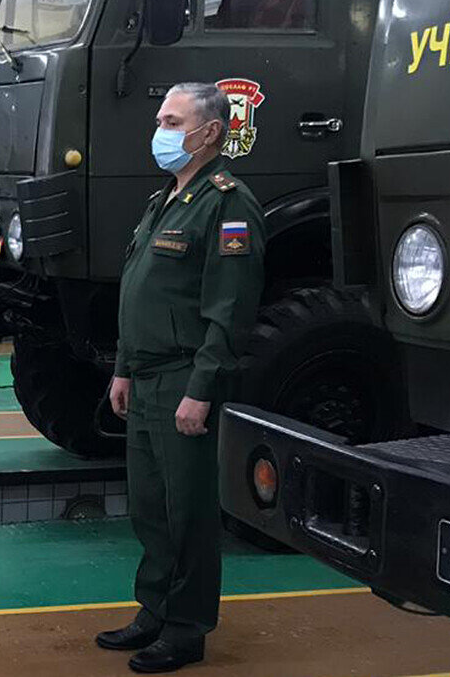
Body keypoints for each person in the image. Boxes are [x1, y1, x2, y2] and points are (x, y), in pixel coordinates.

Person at [96, 83, 266, 673]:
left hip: (183, 380)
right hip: (143, 379)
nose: (161, 132)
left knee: (186, 511)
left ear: (209, 133)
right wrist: (121, 369)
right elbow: (138, 294)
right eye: (161, 120)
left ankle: (187, 629)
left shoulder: (228, 203)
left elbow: (230, 309)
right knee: (149, 506)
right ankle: (154, 610)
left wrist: (201, 389)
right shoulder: (164, 201)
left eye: (172, 122)